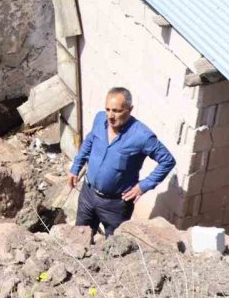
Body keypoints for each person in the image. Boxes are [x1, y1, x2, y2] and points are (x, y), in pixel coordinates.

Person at [68, 86, 176, 237]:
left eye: (117, 111)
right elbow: (89, 141)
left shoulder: (142, 136)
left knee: (114, 245)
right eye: (108, 109)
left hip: (116, 205)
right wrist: (76, 167)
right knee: (79, 238)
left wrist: (143, 186)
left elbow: (167, 161)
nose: (110, 116)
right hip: (88, 194)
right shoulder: (100, 119)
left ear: (130, 110)